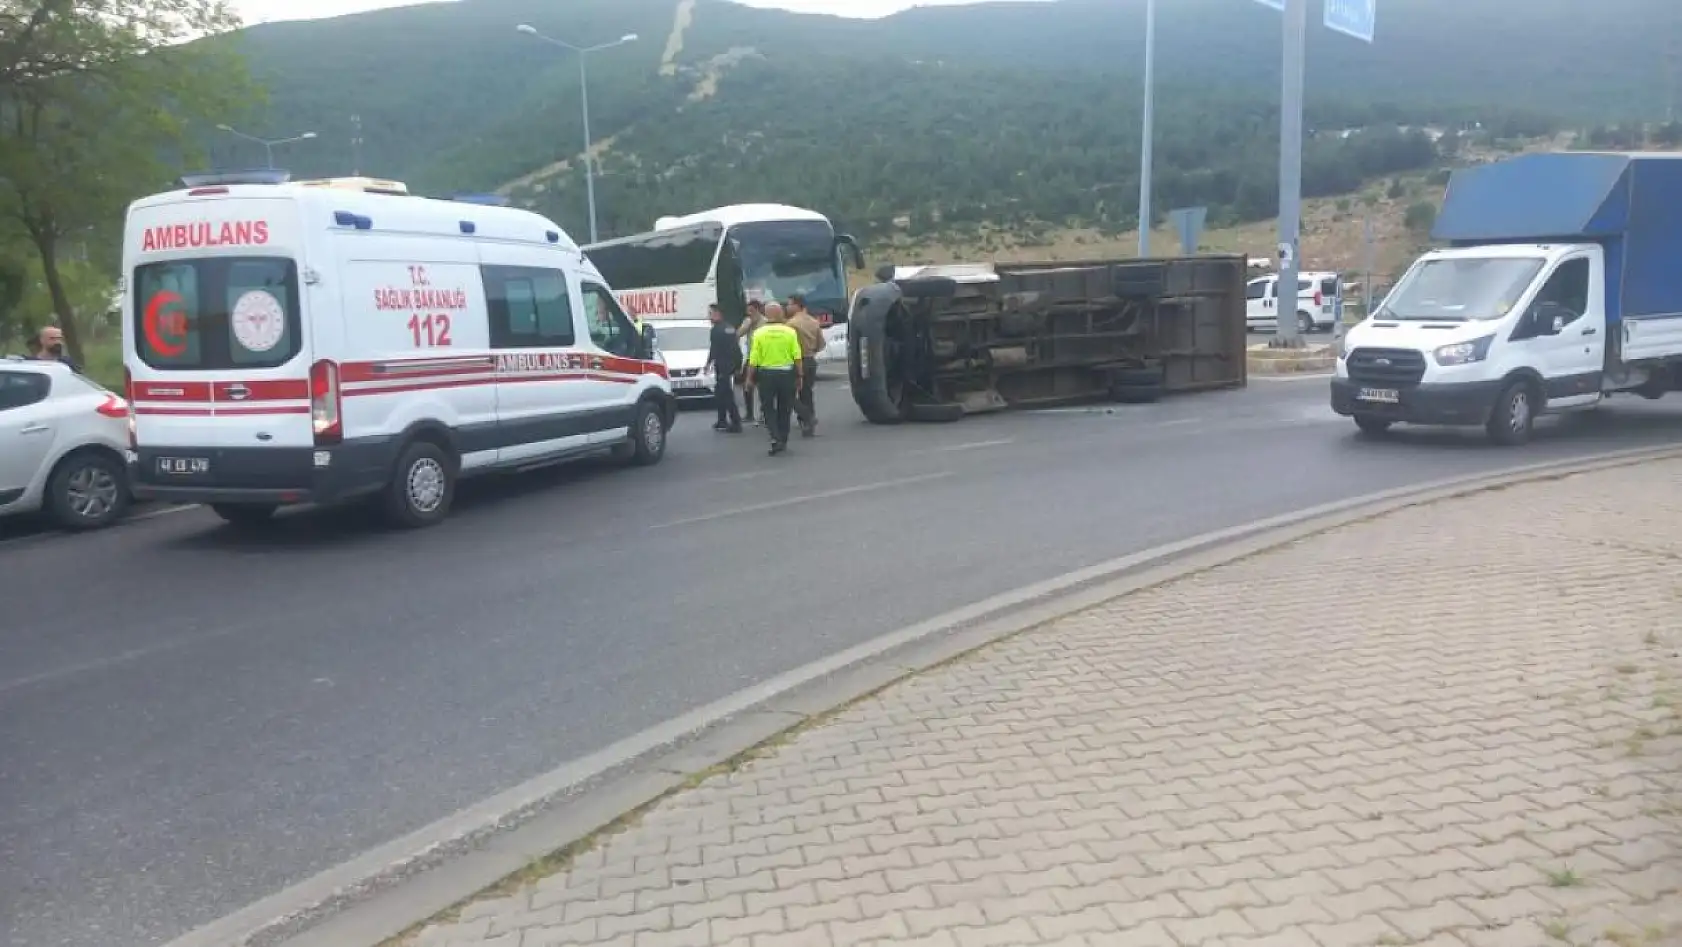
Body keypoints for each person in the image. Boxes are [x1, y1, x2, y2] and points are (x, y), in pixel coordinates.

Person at [744, 302, 803, 455]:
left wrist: (749, 378)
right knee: (785, 408)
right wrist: (800, 375)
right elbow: (797, 356)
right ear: (780, 314)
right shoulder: (790, 332)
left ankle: (775, 437)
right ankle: (783, 438)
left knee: (768, 408)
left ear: (767, 315)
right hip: (786, 374)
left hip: (766, 375)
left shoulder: (759, 333)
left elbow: (754, 359)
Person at [783, 294, 826, 437]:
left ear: (797, 305)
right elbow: (821, 344)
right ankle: (808, 423)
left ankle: (807, 416)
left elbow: (788, 346)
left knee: (788, 393)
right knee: (806, 392)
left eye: (789, 304)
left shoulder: (790, 324)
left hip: (797, 361)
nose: (787, 307)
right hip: (811, 360)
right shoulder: (814, 322)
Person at [704, 303, 742, 433]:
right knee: (720, 392)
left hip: (723, 365)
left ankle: (735, 422)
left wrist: (708, 363)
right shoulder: (729, 327)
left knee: (725, 394)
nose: (709, 317)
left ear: (718, 314)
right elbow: (736, 348)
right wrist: (738, 365)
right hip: (729, 364)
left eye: (711, 314)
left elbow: (714, 349)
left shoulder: (716, 330)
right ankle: (722, 420)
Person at [737, 300, 767, 426]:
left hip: (763, 358)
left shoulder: (765, 322)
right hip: (751, 357)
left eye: (751, 311)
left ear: (757, 310)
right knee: (746, 386)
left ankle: (764, 412)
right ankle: (749, 413)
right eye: (748, 311)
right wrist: (747, 325)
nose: (749, 314)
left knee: (763, 387)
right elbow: (738, 334)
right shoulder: (747, 321)